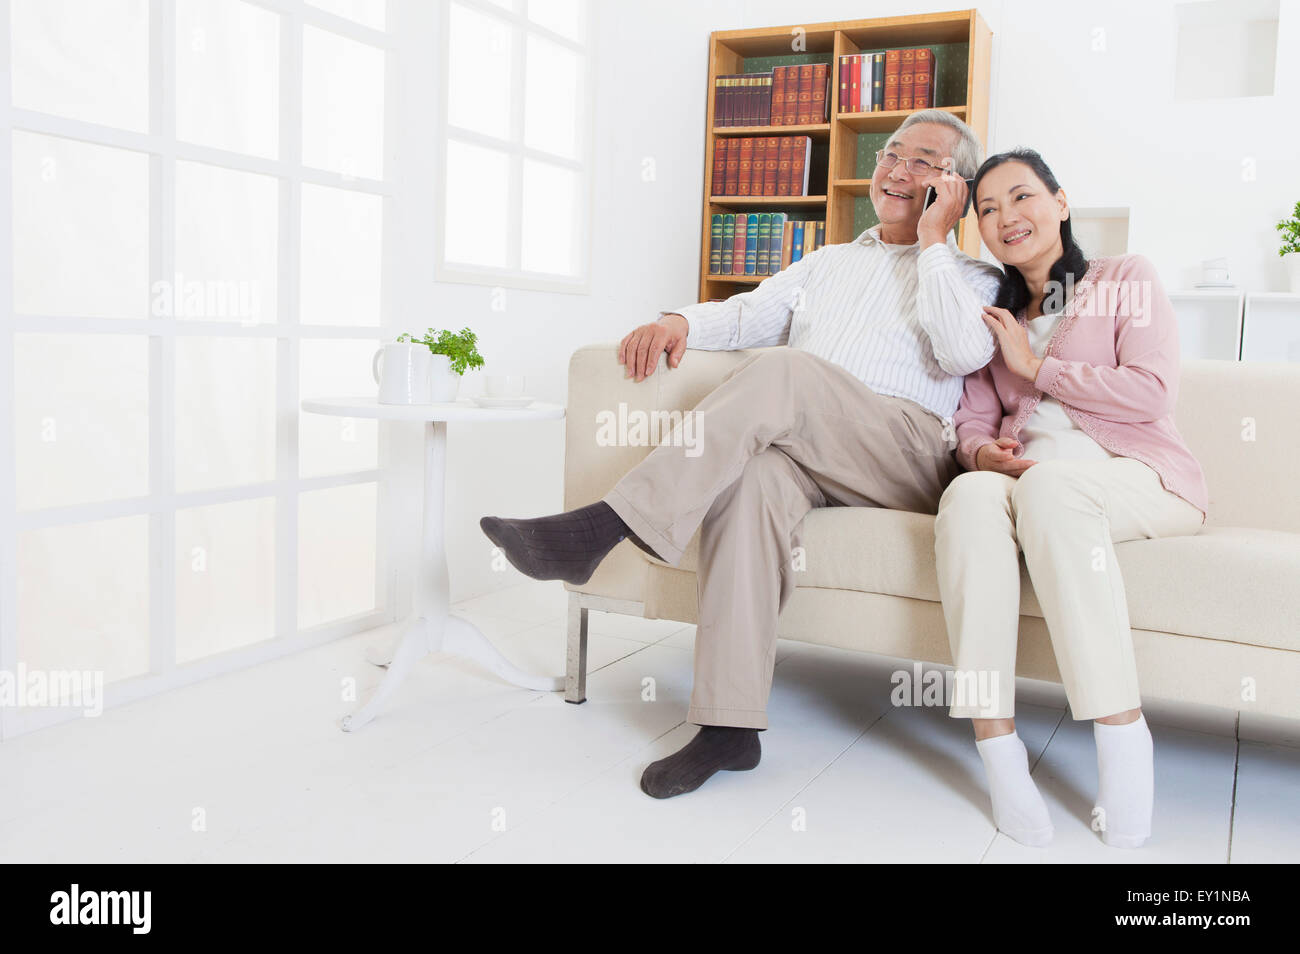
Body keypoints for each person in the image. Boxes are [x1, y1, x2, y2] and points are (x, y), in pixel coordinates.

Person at [482, 110, 1002, 799]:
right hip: (808, 440)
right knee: (751, 480)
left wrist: (935, 241)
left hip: (905, 447)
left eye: (922, 162)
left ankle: (599, 529)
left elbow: (965, 352)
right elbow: (748, 315)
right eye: (891, 155)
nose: (897, 170)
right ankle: (727, 728)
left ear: (955, 187)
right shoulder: (829, 262)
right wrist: (677, 321)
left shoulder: (973, 275)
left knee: (785, 371)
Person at [934, 148, 1208, 848]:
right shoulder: (992, 316)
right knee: (966, 496)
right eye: (988, 210)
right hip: (1034, 486)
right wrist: (979, 452)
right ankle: (998, 751)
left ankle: (1121, 739)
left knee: (1053, 487)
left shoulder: (1124, 280)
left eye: (1021, 197)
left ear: (1060, 201)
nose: (1005, 218)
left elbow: (1152, 393)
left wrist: (1039, 368)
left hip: (1135, 476)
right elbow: (969, 417)